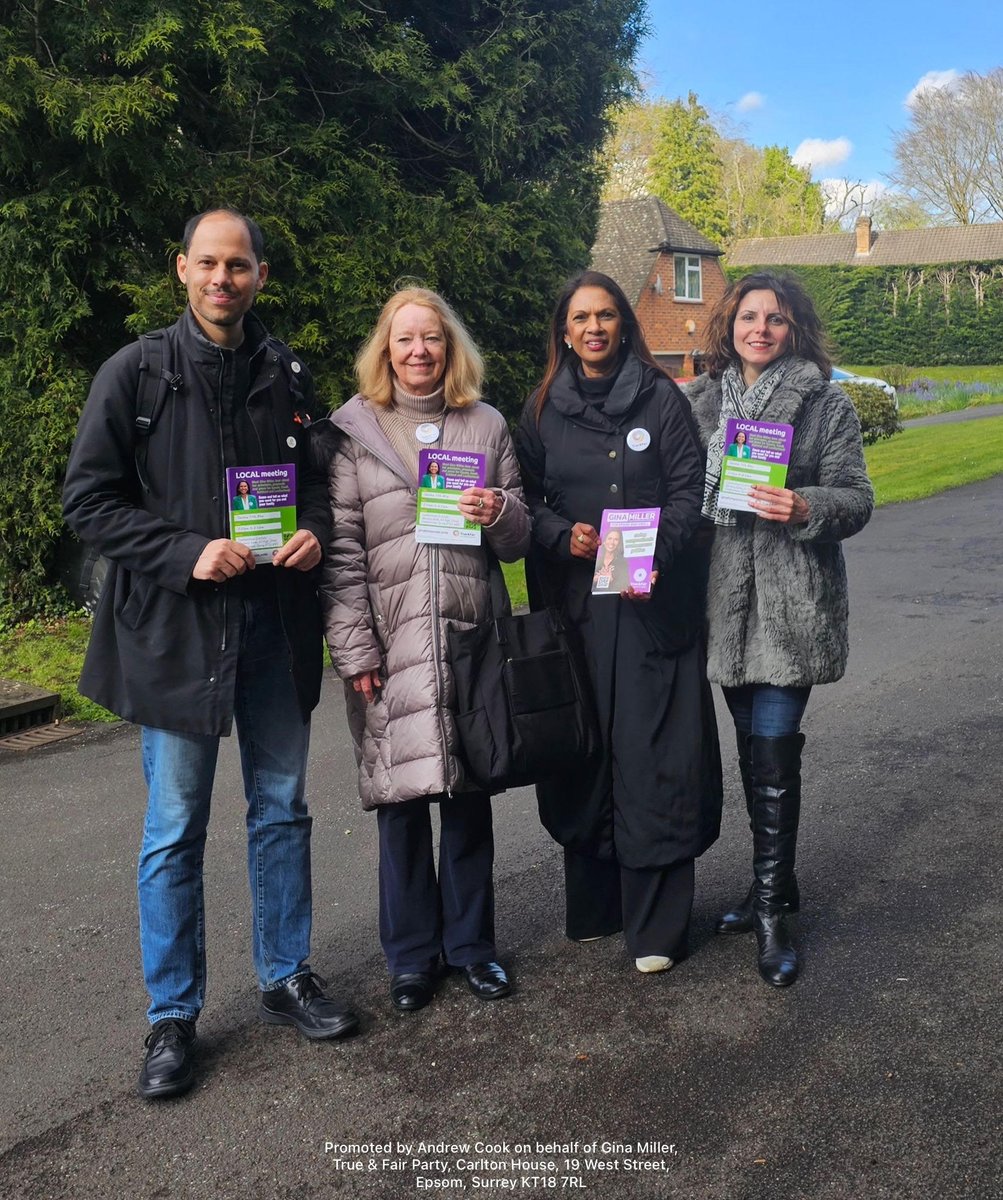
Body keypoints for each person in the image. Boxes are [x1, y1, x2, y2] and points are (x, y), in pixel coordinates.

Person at [62, 209, 359, 1101]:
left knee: (281, 810)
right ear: (181, 270)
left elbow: (317, 483)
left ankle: (285, 976)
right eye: (208, 264)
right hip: (177, 635)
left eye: (239, 266)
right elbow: (89, 501)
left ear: (260, 275)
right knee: (172, 830)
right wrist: (185, 551)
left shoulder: (287, 375)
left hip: (272, 630)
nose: (223, 279)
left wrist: (310, 531)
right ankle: (172, 1016)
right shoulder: (137, 373)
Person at [317, 287, 530, 1012]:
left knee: (467, 797)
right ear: (385, 349)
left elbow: (518, 539)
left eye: (431, 339)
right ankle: (410, 960)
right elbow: (341, 554)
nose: (418, 351)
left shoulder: (486, 424)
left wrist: (499, 511)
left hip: (469, 638)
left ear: (449, 348)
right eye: (404, 339)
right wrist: (354, 650)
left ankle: (472, 949)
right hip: (390, 643)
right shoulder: (355, 433)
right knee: (399, 802)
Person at [515, 270, 722, 975]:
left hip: (647, 610)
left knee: (653, 753)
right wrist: (555, 533)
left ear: (622, 324)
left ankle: (658, 924)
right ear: (564, 330)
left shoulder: (661, 399)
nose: (594, 328)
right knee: (587, 749)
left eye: (605, 316)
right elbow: (525, 498)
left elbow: (687, 493)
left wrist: (655, 554)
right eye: (581, 318)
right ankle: (597, 906)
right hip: (576, 613)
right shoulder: (541, 407)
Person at [683, 272, 874, 987]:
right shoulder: (697, 402)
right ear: (728, 325)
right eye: (748, 316)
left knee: (772, 751)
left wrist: (801, 505)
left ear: (795, 330)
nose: (759, 329)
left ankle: (769, 909)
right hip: (722, 603)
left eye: (776, 319)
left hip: (793, 602)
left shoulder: (824, 404)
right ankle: (775, 883)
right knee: (750, 750)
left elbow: (855, 498)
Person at [591, 527, 630, 594]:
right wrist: (594, 580)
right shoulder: (594, 559)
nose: (612, 542)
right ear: (604, 541)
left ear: (619, 543)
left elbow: (626, 586)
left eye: (616, 539)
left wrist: (612, 580)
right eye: (609, 538)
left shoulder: (623, 563)